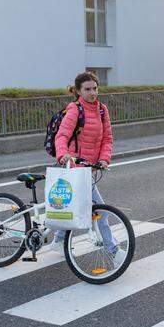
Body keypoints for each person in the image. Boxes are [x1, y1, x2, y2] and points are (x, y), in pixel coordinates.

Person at [49, 72, 117, 258]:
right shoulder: (75, 109)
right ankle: (113, 249)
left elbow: (107, 139)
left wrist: (104, 159)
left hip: (90, 167)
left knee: (70, 207)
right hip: (74, 168)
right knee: (101, 210)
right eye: (87, 89)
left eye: (95, 88)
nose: (92, 93)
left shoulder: (102, 110)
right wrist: (63, 154)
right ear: (78, 91)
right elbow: (61, 135)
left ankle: (58, 240)